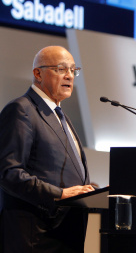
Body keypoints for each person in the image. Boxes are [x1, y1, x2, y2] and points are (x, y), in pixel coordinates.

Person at [0, 46, 94, 253]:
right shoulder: (22, 109)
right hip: (36, 238)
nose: (69, 76)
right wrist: (59, 194)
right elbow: (9, 173)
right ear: (38, 73)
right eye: (61, 69)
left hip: (64, 234)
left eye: (73, 70)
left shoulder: (60, 116)